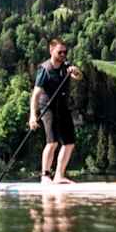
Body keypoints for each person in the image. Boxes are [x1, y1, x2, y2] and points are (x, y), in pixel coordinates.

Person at [28, 38, 82, 183]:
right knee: (52, 142)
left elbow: (78, 76)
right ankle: (45, 176)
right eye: (60, 52)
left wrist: (76, 72)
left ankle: (59, 175)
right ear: (51, 51)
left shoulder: (66, 66)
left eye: (65, 52)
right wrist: (33, 116)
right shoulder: (44, 69)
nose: (63, 54)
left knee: (69, 143)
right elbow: (36, 94)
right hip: (48, 107)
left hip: (63, 107)